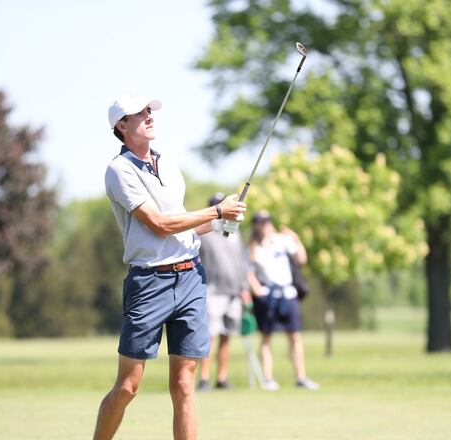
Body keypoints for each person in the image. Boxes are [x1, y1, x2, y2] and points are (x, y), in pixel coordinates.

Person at [93, 92, 246, 440]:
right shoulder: (119, 171)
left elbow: (182, 223)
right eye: (139, 113)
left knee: (184, 384)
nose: (149, 115)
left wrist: (222, 222)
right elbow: (159, 224)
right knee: (128, 386)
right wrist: (216, 211)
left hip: (190, 277)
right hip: (149, 284)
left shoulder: (169, 162)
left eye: (149, 110)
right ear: (122, 125)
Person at [246, 209, 319, 391]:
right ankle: (268, 379)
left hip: (288, 295)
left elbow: (301, 258)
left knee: (295, 337)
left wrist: (296, 238)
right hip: (268, 296)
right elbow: (248, 270)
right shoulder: (254, 247)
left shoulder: (282, 241)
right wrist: (257, 289)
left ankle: (301, 377)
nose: (265, 226)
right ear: (256, 225)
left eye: (267, 222)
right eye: (261, 222)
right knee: (266, 338)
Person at [197, 192, 251, 391]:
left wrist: (244, 288)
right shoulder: (205, 233)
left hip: (234, 292)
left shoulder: (235, 232)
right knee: (209, 335)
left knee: (227, 335)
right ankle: (203, 378)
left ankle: (222, 377)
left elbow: (242, 263)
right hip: (212, 290)